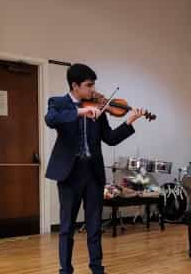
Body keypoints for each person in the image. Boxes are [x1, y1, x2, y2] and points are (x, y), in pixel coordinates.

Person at [45, 63, 146, 274]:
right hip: (69, 174)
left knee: (94, 226)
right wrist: (81, 111)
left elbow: (109, 139)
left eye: (93, 85)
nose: (93, 90)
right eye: (89, 85)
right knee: (66, 228)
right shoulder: (59, 103)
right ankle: (65, 270)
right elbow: (51, 119)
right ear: (75, 85)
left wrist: (129, 121)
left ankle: (97, 268)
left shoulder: (98, 107)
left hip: (93, 174)